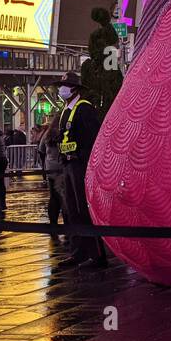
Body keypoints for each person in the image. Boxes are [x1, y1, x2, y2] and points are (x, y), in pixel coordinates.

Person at [53, 72, 106, 270]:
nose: (61, 89)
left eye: (65, 85)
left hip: (79, 165)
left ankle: (96, 255)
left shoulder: (84, 109)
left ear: (74, 89)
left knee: (84, 210)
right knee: (71, 211)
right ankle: (78, 252)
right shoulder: (66, 110)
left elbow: (93, 138)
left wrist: (82, 157)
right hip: (67, 165)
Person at [38, 111, 66, 242]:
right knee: (65, 198)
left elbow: (41, 150)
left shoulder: (47, 134)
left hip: (50, 168)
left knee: (53, 197)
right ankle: (68, 227)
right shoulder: (63, 132)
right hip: (62, 168)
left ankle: (53, 224)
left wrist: (45, 165)